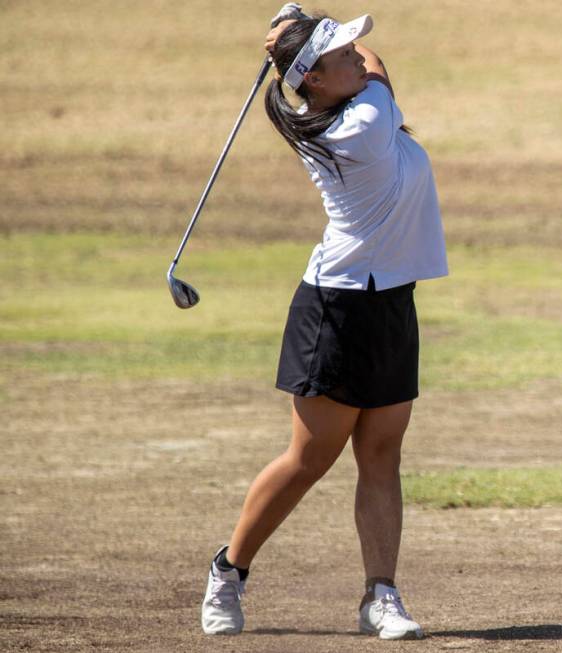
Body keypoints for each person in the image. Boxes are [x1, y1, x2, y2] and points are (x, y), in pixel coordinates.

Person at [200, 7, 448, 641]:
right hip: (338, 308)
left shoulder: (345, 106)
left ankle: (381, 596)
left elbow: (360, 62)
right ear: (314, 81)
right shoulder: (362, 122)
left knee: (382, 456)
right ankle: (229, 570)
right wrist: (304, 23)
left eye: (350, 53)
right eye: (339, 57)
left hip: (391, 300)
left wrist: (297, 24)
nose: (356, 59)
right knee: (310, 460)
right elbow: (379, 68)